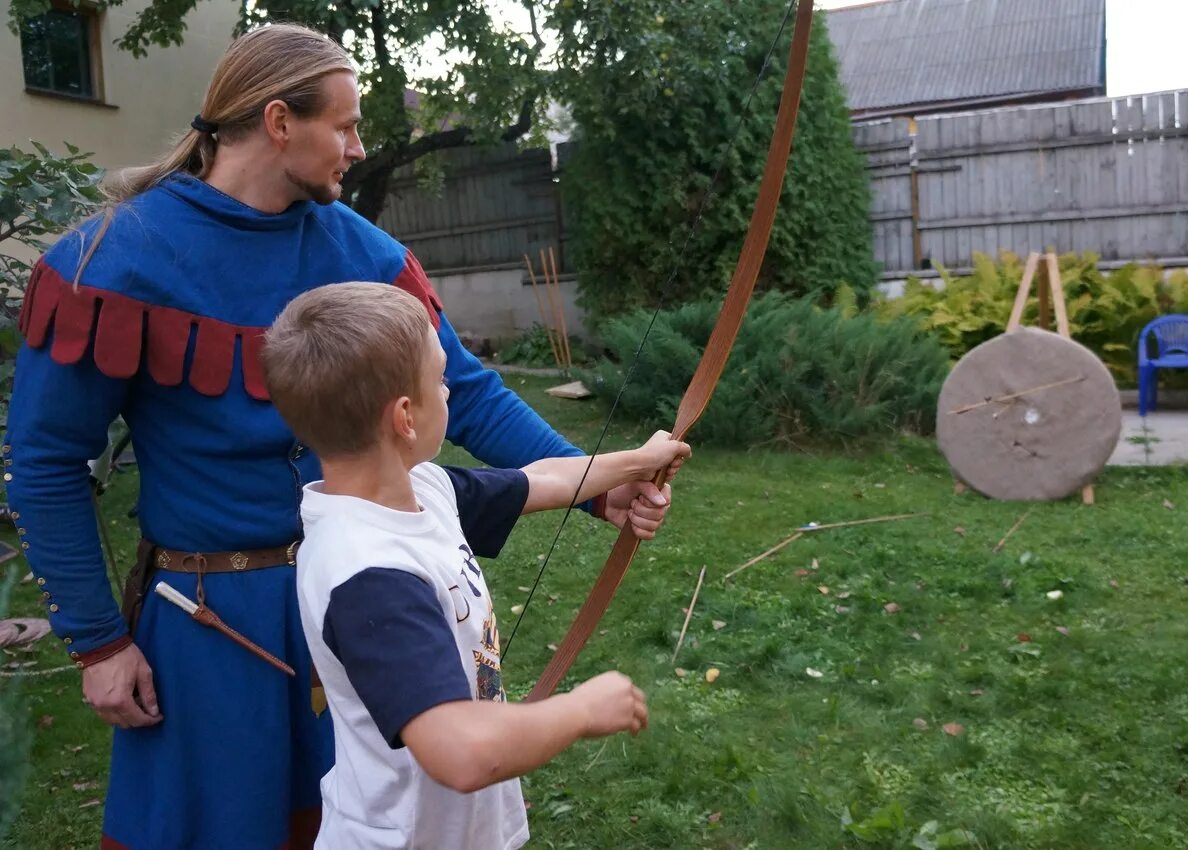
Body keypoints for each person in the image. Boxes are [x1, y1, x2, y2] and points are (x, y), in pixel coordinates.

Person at [5, 23, 676, 850]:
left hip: (370, 604)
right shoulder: (111, 261)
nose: (360, 148)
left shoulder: (364, 252)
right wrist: (99, 642)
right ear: (280, 122)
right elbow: (44, 461)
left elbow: (462, 393)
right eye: (348, 126)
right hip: (209, 626)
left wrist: (596, 484)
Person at [261, 283, 689, 849]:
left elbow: (545, 479)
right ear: (406, 417)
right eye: (440, 377)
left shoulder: (422, 488)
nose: (449, 388)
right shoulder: (369, 573)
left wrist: (638, 461)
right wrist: (581, 711)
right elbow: (459, 751)